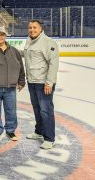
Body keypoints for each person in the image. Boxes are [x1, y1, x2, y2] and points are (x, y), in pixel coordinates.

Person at [24, 19, 59, 150]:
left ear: (41, 29)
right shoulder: (29, 40)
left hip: (43, 83)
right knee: (37, 108)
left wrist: (49, 83)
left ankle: (49, 138)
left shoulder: (48, 42)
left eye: (34, 28)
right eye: (30, 28)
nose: (32, 30)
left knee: (46, 110)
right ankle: (39, 132)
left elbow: (53, 63)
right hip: (32, 81)